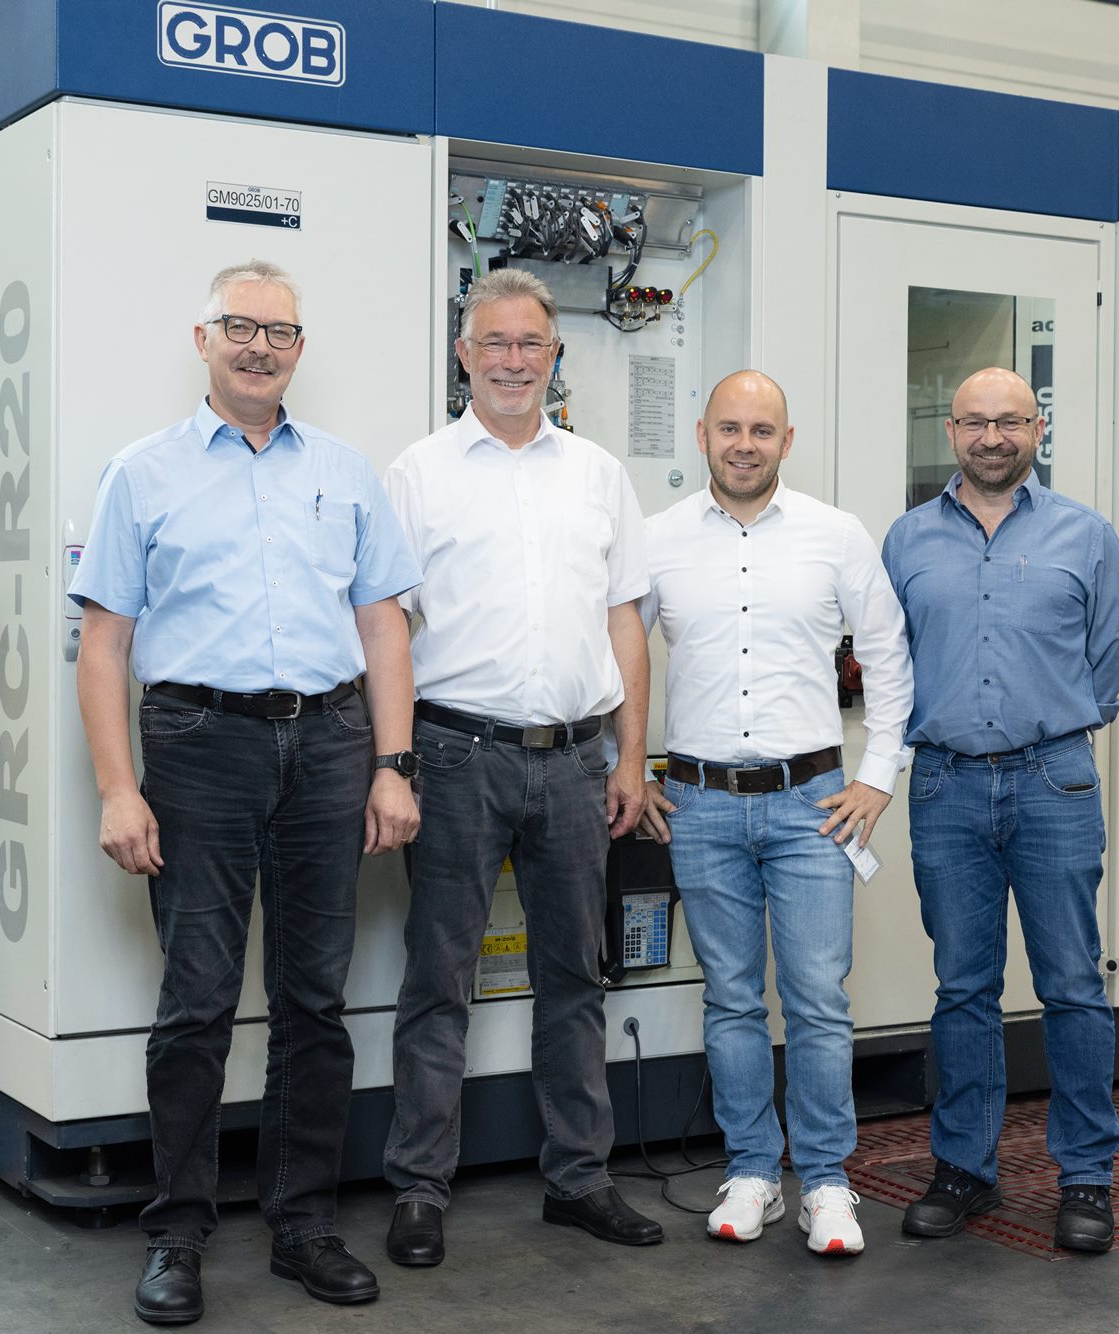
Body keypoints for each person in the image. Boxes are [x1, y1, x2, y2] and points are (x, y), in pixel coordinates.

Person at [70, 260, 423, 1324]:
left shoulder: (346, 473)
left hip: (330, 743)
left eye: (279, 331)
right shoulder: (141, 473)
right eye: (240, 326)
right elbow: (103, 645)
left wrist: (393, 764)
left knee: (314, 999)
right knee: (197, 1000)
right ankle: (176, 1231)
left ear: (299, 349)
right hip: (196, 744)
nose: (259, 346)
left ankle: (302, 1223)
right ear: (203, 338)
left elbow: (383, 629)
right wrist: (118, 789)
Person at [380, 267, 660, 1264]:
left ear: (553, 355)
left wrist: (630, 755)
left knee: (574, 975)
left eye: (529, 343)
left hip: (577, 761)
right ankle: (418, 1187)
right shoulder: (417, 473)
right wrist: (391, 762)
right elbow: (386, 628)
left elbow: (625, 620)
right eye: (492, 343)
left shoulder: (597, 474)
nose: (511, 360)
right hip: (455, 756)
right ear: (463, 355)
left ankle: (579, 1178)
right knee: (438, 977)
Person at [636, 370, 913, 1256]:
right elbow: (617, 655)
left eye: (762, 430)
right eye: (730, 429)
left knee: (818, 1001)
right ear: (702, 435)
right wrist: (623, 769)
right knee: (731, 999)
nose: (744, 445)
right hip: (700, 804)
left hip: (813, 807)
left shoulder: (837, 535)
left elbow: (890, 655)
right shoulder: (657, 540)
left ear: (787, 441)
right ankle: (753, 1170)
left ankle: (826, 1183)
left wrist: (878, 777)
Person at [882, 366, 1119, 1254]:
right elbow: (888, 660)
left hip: (1053, 779)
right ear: (951, 431)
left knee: (1071, 983)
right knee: (963, 988)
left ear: (1038, 429)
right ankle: (965, 1169)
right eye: (976, 422)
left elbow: (1108, 661)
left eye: (1011, 422)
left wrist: (1048, 724)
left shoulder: (1086, 536)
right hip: (945, 784)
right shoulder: (906, 540)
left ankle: (1087, 1177)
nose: (993, 437)